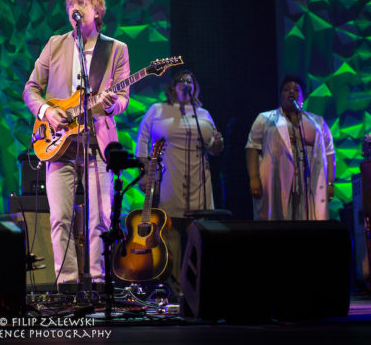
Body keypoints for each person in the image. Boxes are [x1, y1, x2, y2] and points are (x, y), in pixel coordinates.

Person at [23, 0, 130, 285]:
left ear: (97, 11)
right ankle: (67, 284)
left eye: (82, 3)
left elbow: (124, 98)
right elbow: (31, 89)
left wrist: (111, 107)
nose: (75, 8)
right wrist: (46, 111)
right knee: (60, 219)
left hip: (97, 143)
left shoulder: (116, 49)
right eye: (71, 3)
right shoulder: (55, 44)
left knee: (101, 219)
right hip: (58, 144)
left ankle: (98, 281)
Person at [135, 69, 223, 290]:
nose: (187, 84)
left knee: (197, 236)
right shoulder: (158, 110)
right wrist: (145, 173)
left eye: (191, 81)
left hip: (198, 179)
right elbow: (143, 141)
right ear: (173, 87)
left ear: (195, 88)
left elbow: (214, 148)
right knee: (170, 233)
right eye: (182, 81)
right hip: (169, 178)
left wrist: (217, 144)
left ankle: (197, 287)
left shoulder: (203, 114)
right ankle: (173, 288)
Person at [245, 74, 335, 220]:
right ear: (281, 95)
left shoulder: (317, 122)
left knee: (308, 219)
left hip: (309, 179)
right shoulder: (265, 119)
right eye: (287, 90)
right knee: (280, 220)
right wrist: (254, 178)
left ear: (303, 97)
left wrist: (330, 183)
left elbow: (330, 152)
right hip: (276, 178)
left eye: (296, 90)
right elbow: (252, 147)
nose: (291, 92)